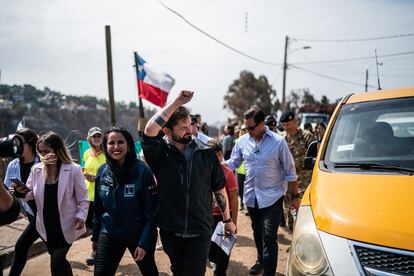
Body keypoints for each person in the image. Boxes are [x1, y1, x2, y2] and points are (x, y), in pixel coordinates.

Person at [142, 90, 236, 276]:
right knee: (178, 271)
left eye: (189, 125)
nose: (189, 131)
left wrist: (227, 220)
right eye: (182, 127)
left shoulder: (206, 152)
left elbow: (218, 188)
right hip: (170, 229)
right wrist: (176, 102)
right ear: (167, 131)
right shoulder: (159, 153)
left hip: (201, 228)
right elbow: (149, 130)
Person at [225, 106, 299, 276]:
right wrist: (216, 164)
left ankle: (269, 272)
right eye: (245, 127)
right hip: (251, 197)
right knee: (257, 231)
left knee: (268, 235)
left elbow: (290, 171)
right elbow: (233, 163)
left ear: (261, 124)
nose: (247, 131)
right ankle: (260, 260)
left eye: (251, 127)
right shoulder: (242, 141)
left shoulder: (278, 142)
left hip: (272, 197)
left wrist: (295, 197)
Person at [13, 131, 89, 276]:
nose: (43, 155)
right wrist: (19, 192)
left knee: (56, 261)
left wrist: (81, 216)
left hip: (66, 224)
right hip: (45, 225)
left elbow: (83, 198)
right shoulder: (36, 170)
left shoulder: (73, 169)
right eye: (40, 151)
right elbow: (29, 194)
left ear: (57, 150)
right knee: (59, 260)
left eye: (46, 151)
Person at [92, 127, 158, 276]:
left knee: (149, 272)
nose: (116, 147)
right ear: (105, 146)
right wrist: (96, 236)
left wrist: (144, 243)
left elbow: (151, 212)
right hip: (110, 232)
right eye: (111, 143)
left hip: (139, 234)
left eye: (121, 142)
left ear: (129, 145)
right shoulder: (102, 172)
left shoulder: (143, 171)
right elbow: (98, 208)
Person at [6, 128, 40, 276]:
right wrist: (15, 194)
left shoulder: (43, 162)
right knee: (55, 252)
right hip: (31, 214)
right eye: (15, 142)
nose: (16, 146)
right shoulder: (12, 165)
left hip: (46, 213)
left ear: (31, 144)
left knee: (20, 246)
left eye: (20, 142)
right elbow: (8, 190)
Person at [280, 111, 315, 232]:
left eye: (288, 124)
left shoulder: (307, 137)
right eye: (284, 125)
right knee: (288, 215)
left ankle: (301, 241)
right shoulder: (282, 140)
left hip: (304, 183)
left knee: (302, 216)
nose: (286, 127)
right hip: (288, 185)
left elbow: (316, 157)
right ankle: (293, 240)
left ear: (295, 122)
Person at [209, 143, 238, 276]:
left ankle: (220, 271)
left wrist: (234, 222)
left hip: (223, 219)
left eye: (220, 155)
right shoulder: (202, 173)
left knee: (222, 255)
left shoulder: (228, 174)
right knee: (210, 251)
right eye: (214, 156)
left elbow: (233, 199)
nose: (218, 158)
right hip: (207, 219)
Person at [82, 127, 106, 265]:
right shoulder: (86, 153)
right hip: (88, 196)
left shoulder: (107, 154)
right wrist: (86, 175)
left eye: (99, 135)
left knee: (100, 225)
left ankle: (98, 254)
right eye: (94, 136)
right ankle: (100, 251)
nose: (96, 138)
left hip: (103, 195)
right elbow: (86, 169)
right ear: (89, 139)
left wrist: (95, 178)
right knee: (90, 224)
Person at [235, 124, 247, 212]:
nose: (244, 131)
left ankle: (246, 206)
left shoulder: (252, 141)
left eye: (245, 129)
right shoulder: (237, 141)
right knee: (240, 189)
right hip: (239, 170)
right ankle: (241, 205)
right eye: (243, 129)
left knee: (247, 189)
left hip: (247, 171)